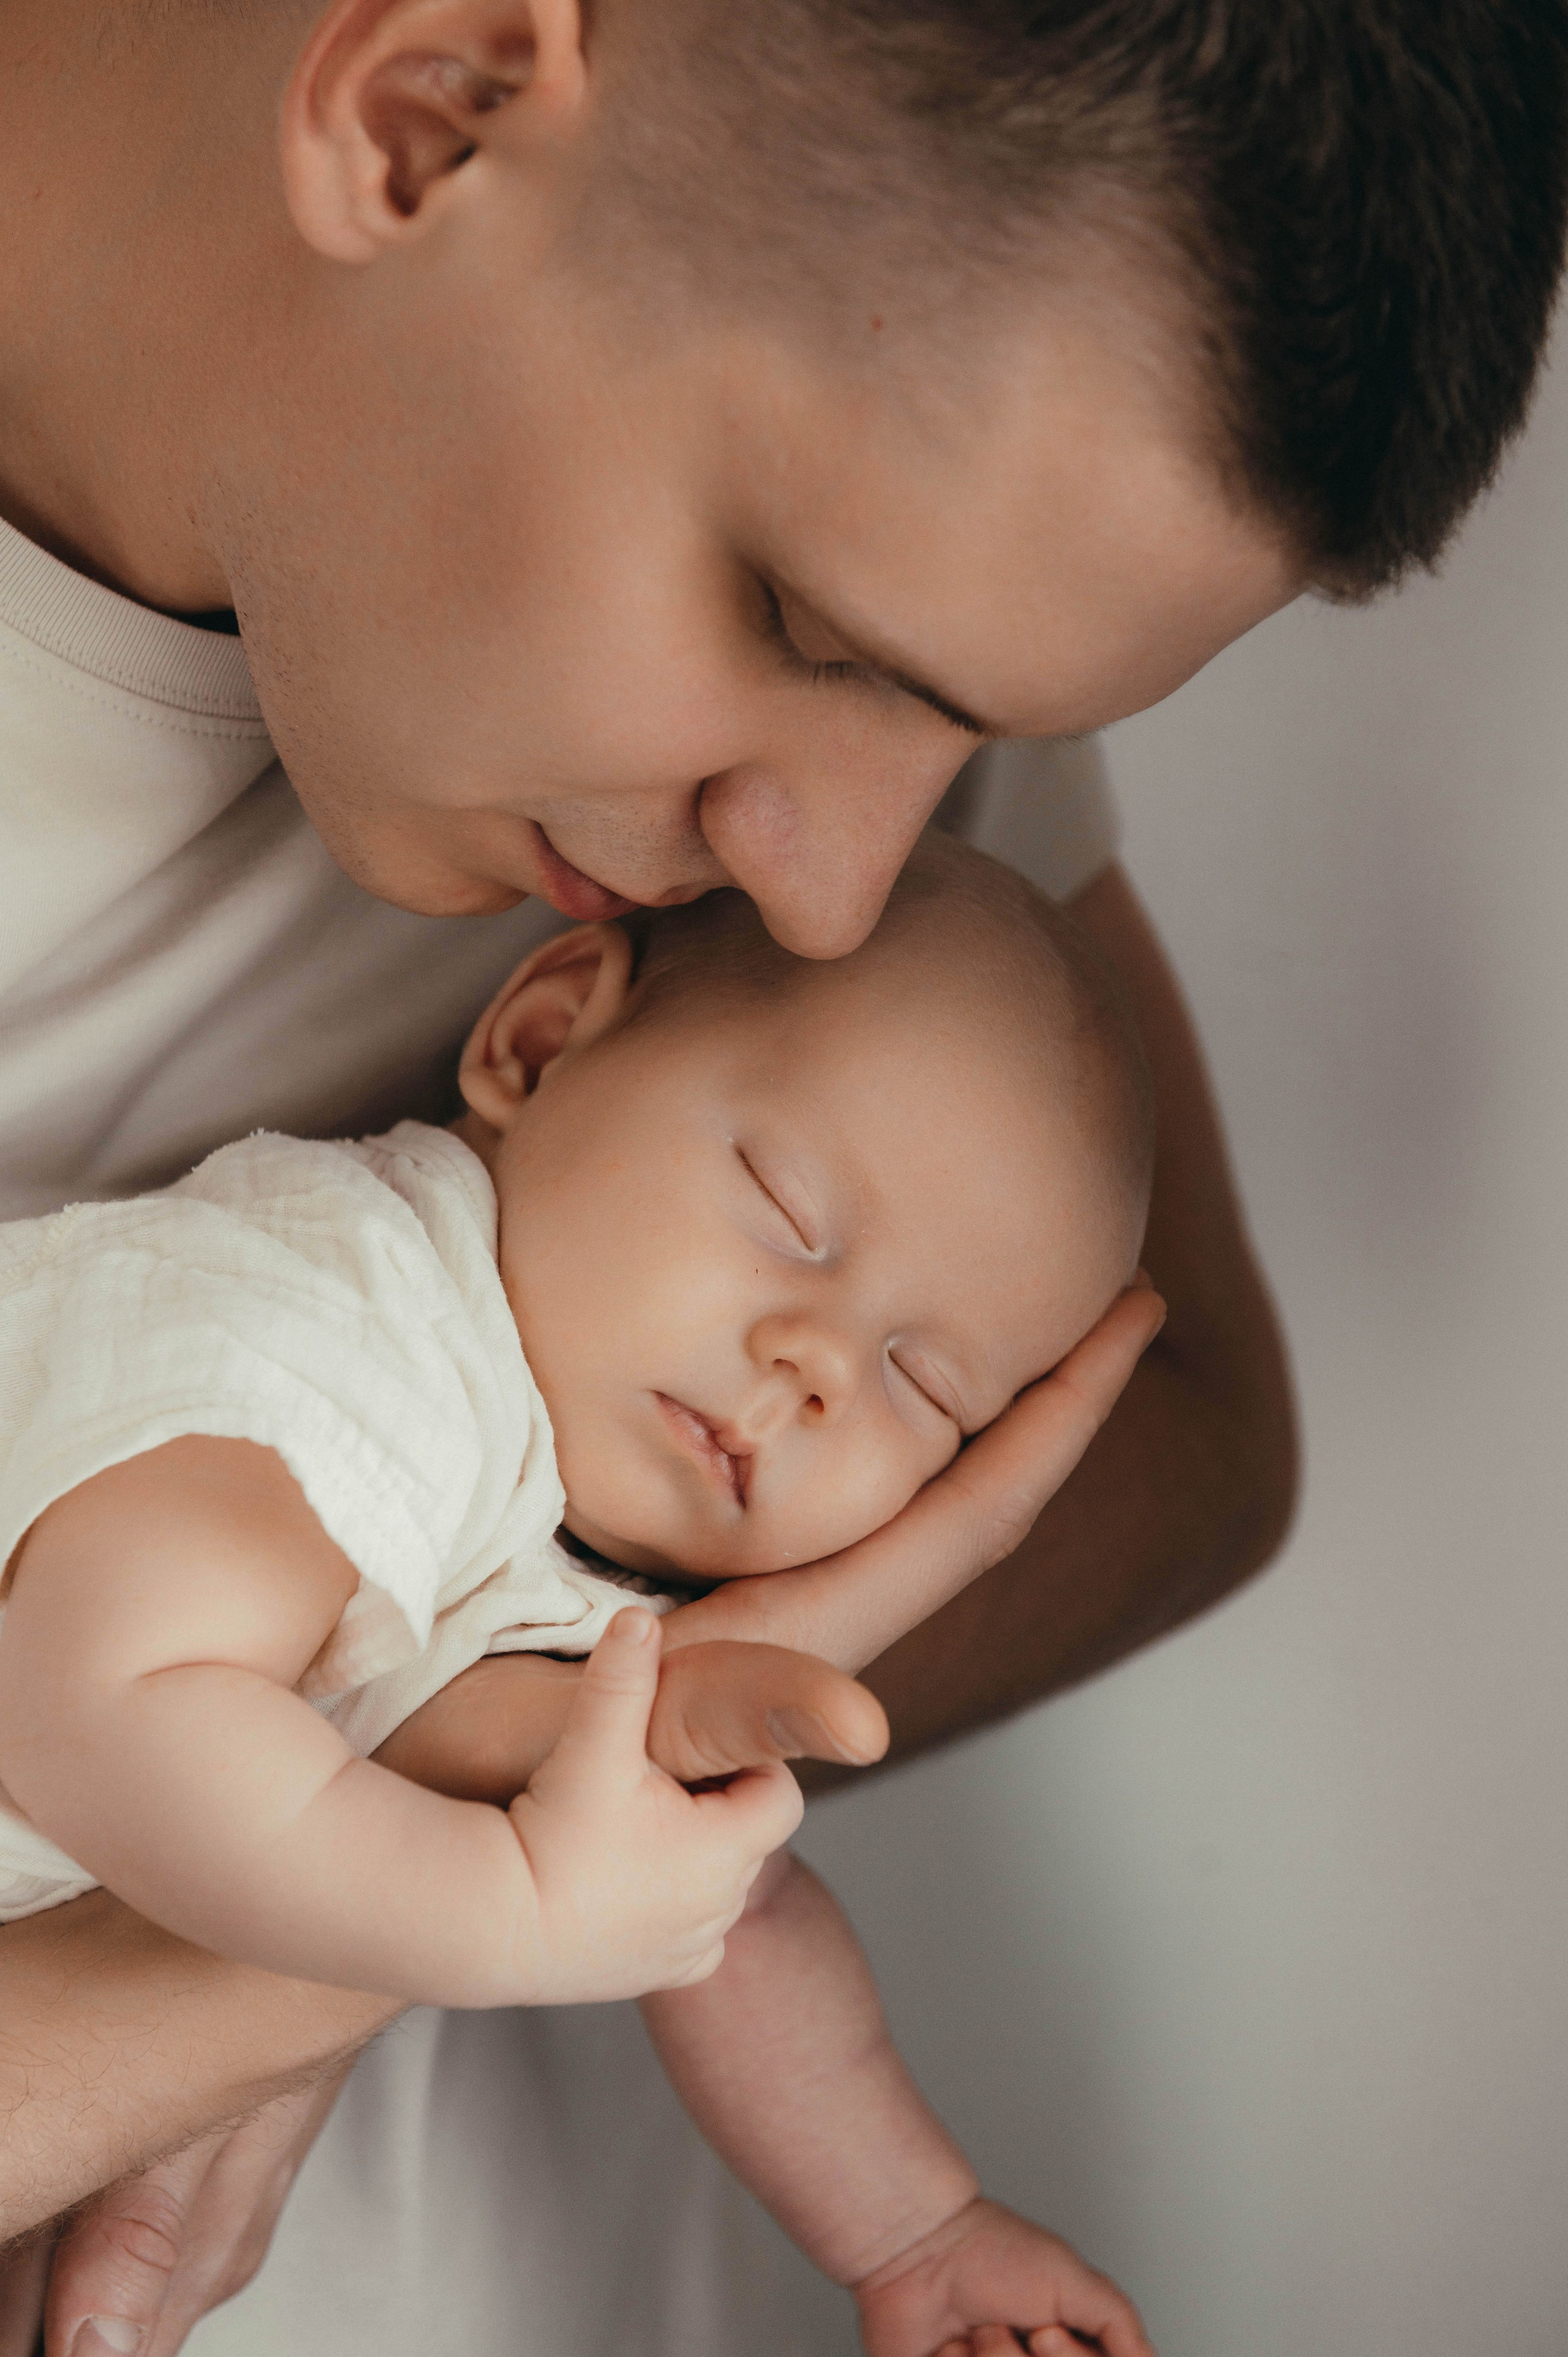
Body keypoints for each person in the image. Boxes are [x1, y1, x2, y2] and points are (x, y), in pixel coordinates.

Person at [0, 1, 1562, 2351]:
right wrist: (337, 1902)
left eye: (974, 729)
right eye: (808, 633)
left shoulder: (862, 605)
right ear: (430, 115)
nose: (831, 888)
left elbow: (1184, 1418)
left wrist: (440, 1776)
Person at [0, 845, 1158, 2355]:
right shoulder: (353, 1322)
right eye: (785, 1212)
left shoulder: (575, 1544)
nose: (814, 1361)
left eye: (919, 1383)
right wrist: (509, 1906)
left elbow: (713, 1914)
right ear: (539, 1041)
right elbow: (106, 1700)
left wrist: (908, 2224)